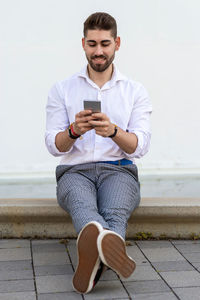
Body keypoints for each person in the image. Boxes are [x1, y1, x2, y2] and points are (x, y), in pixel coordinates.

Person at [45, 12, 152, 294]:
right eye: (92, 44)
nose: (99, 51)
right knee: (86, 212)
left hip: (119, 169)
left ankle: (93, 266)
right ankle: (108, 255)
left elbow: (140, 146)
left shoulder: (135, 91)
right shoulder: (62, 89)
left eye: (105, 43)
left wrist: (114, 131)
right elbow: (53, 145)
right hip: (74, 171)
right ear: (83, 44)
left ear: (117, 43)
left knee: (114, 211)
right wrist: (73, 131)